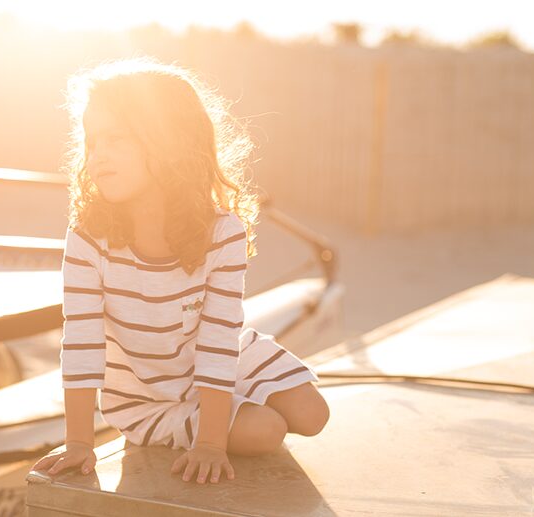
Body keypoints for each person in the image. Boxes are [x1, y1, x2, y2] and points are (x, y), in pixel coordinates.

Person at [31, 56, 329, 485]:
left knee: (313, 414)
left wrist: (211, 441)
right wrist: (79, 441)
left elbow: (219, 333)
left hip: (217, 356)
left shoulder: (222, 231)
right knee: (267, 431)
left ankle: (227, 403)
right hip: (147, 397)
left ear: (169, 142)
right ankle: (226, 411)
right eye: (93, 142)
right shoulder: (88, 237)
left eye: (117, 139)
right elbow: (81, 340)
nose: (99, 155)